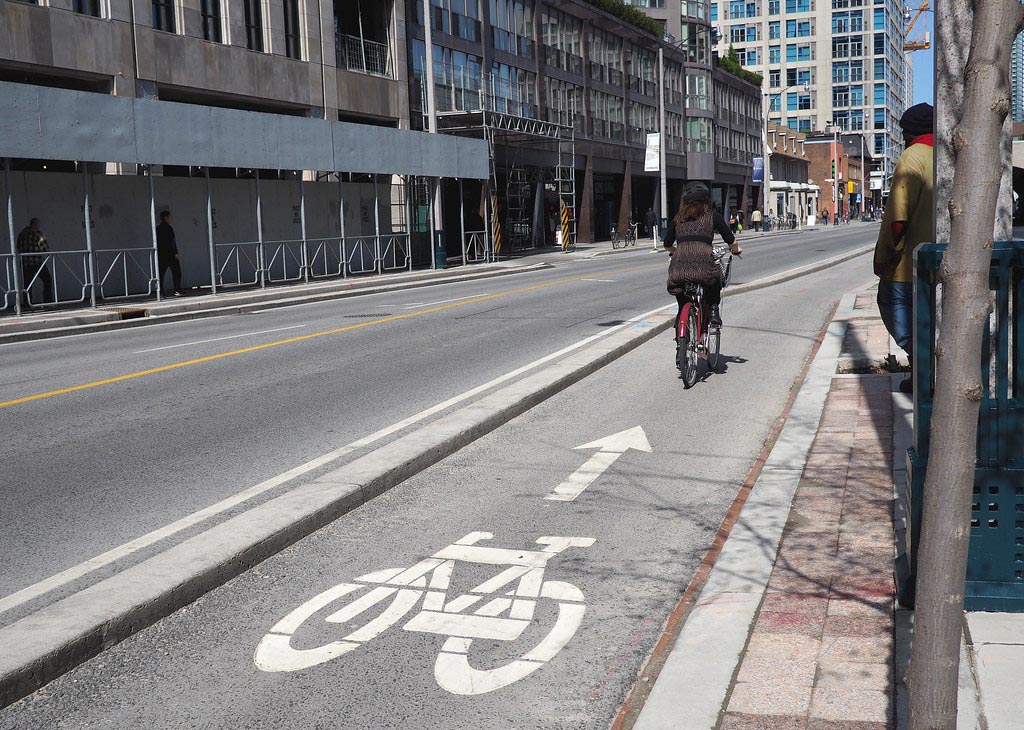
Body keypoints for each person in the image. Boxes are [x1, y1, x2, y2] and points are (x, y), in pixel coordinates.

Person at [874, 102, 934, 394]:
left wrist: (888, 252)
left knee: (892, 305)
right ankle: (924, 369)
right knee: (926, 315)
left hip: (907, 264)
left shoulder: (912, 158)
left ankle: (924, 363)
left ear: (908, 133)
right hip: (935, 260)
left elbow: (898, 219)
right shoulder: (946, 157)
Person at [663, 181, 742, 327]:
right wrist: (736, 249)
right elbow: (730, 240)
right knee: (714, 279)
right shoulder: (712, 216)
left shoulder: (678, 219)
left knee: (680, 288)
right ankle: (713, 311)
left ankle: (682, 314)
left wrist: (677, 252)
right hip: (704, 264)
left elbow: (667, 244)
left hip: (679, 266)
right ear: (706, 200)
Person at [17, 217, 53, 309]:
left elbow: (18, 248)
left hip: (25, 262)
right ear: (35, 225)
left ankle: (27, 304)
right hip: (37, 262)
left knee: (27, 284)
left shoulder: (22, 234)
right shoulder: (37, 234)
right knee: (48, 280)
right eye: (38, 225)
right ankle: (47, 302)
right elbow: (45, 247)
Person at [156, 210, 184, 297]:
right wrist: (175, 253)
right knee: (177, 272)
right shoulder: (169, 228)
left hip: (161, 254)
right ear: (166, 218)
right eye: (170, 217)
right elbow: (173, 242)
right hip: (170, 254)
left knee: (161, 274)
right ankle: (177, 289)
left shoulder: (157, 228)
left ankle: (161, 291)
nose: (171, 219)